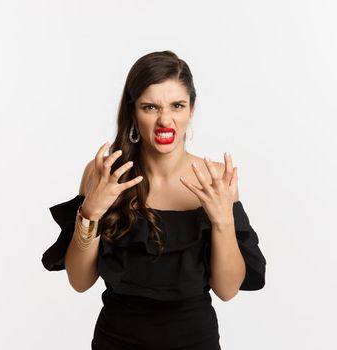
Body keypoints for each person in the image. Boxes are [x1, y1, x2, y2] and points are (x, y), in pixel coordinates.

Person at [41, 50, 266, 350]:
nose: (165, 120)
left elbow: (227, 290)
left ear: (191, 110)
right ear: (133, 111)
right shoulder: (103, 175)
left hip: (194, 341)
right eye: (150, 107)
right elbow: (80, 281)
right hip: (116, 340)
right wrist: (91, 211)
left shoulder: (216, 179)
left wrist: (223, 220)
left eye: (177, 105)